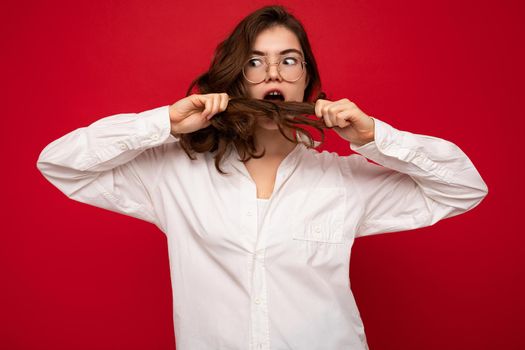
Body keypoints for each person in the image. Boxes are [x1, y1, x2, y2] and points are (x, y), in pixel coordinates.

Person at [36, 5, 488, 350]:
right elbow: (60, 163)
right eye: (255, 62)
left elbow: (464, 188)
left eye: (289, 60)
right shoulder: (175, 175)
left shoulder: (344, 181)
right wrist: (164, 124)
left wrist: (374, 138)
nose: (273, 72)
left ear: (306, 78)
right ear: (236, 81)